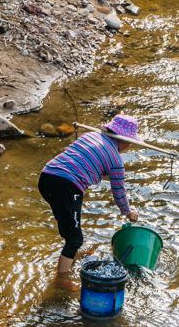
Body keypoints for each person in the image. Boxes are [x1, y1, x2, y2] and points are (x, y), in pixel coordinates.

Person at [38, 114, 141, 288]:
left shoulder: (90, 136)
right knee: (75, 239)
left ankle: (69, 255)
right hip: (67, 186)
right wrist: (127, 212)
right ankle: (61, 281)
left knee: (68, 226)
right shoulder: (116, 161)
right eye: (130, 142)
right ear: (124, 141)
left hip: (47, 176)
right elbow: (119, 192)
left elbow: (79, 157)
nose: (130, 146)